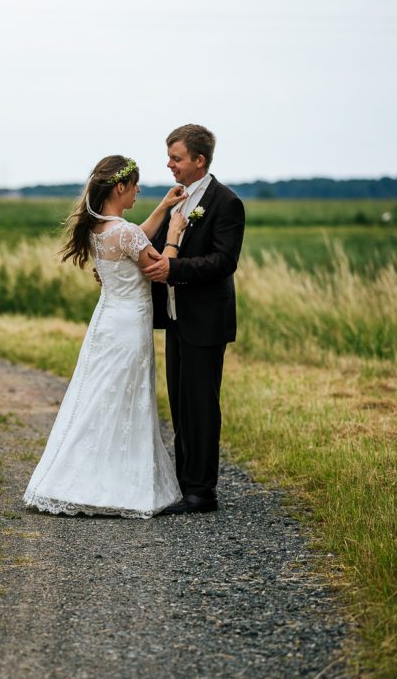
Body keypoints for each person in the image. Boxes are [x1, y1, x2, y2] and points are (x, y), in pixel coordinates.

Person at [23, 155, 189, 518]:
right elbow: (158, 268)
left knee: (100, 395)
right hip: (129, 325)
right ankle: (118, 486)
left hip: (107, 322)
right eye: (135, 185)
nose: (139, 191)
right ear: (120, 187)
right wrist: (173, 236)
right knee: (127, 397)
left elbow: (134, 238)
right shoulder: (124, 231)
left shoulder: (102, 229)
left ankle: (70, 477)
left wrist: (163, 206)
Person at [141, 124, 246, 514]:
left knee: (201, 405)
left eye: (176, 158)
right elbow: (153, 246)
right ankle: (185, 486)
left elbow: (224, 261)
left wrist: (175, 269)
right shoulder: (178, 199)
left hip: (205, 320)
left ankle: (202, 492)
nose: (169, 164)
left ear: (199, 161)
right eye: (170, 157)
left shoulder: (226, 202)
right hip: (174, 317)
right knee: (181, 404)